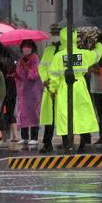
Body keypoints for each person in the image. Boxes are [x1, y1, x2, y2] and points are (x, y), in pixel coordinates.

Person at [48, 28, 102, 153]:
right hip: (80, 87)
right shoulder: (83, 54)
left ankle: (68, 145)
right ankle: (84, 144)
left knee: (65, 116)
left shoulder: (58, 56)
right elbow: (96, 55)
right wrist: (99, 44)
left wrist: (52, 89)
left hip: (64, 88)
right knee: (83, 114)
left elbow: (54, 76)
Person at [15, 40, 42, 146]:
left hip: (33, 91)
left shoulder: (35, 58)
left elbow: (35, 74)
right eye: (24, 46)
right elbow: (19, 73)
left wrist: (26, 67)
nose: (25, 48)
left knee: (33, 113)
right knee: (23, 114)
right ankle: (24, 136)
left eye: (28, 46)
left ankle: (34, 137)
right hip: (22, 91)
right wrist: (15, 75)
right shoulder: (21, 59)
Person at [38, 24, 61, 153]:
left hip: (61, 88)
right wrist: (45, 80)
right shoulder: (49, 50)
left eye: (57, 33)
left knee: (64, 117)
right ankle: (47, 143)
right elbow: (42, 67)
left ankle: (66, 141)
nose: (55, 36)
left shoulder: (66, 50)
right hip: (49, 88)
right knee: (49, 117)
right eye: (53, 33)